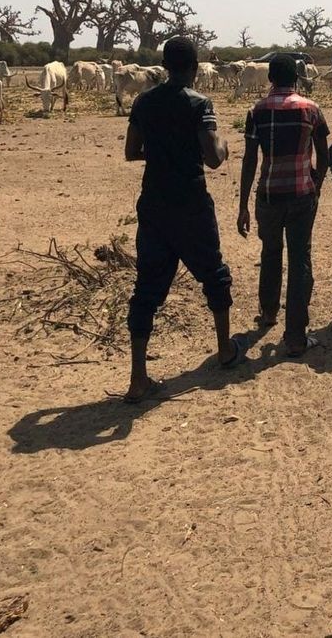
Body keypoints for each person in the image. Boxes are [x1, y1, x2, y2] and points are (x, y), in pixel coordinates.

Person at [123, 37, 241, 403]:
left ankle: (138, 378)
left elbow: (131, 151)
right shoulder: (199, 103)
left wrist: (161, 152)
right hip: (190, 202)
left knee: (146, 290)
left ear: (165, 65)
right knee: (214, 274)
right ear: (193, 68)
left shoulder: (143, 101)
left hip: (154, 203)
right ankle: (224, 349)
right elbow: (213, 157)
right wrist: (222, 144)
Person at [237, 54, 330, 356]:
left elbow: (250, 159)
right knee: (300, 258)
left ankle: (268, 312)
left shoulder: (257, 110)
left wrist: (243, 204)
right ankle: (295, 336)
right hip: (302, 194)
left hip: (268, 194)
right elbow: (324, 153)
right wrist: (317, 183)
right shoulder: (311, 109)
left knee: (270, 252)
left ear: (270, 79)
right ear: (297, 78)